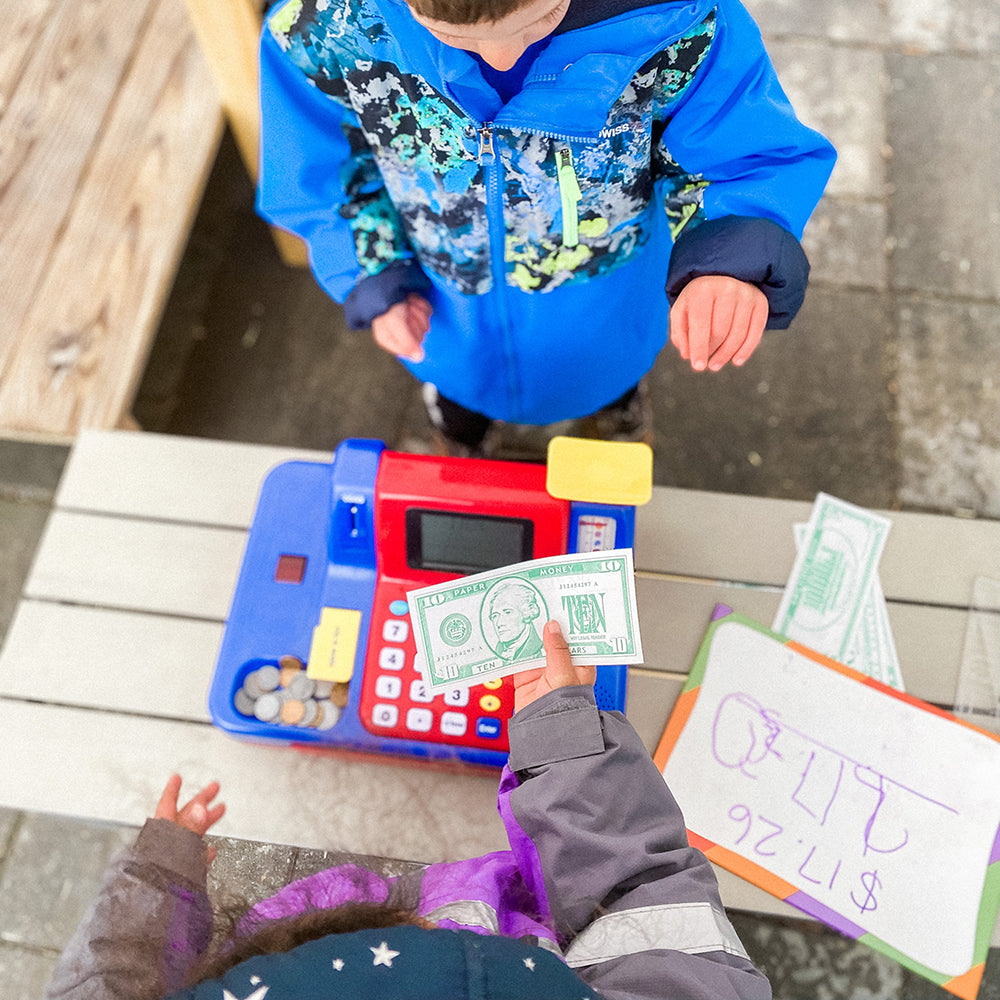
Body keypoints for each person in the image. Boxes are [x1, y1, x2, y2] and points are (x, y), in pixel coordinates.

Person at [43, 621, 771, 999]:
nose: (426, 926)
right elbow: (644, 894)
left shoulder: (293, 935)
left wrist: (158, 875)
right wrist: (566, 742)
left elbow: (100, 983)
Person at [257, 0, 836, 454]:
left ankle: (615, 413)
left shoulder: (676, 22)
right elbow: (318, 168)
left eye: (542, 18)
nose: (503, 58)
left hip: (607, 307)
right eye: (454, 37)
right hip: (449, 313)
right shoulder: (325, 28)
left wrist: (728, 254)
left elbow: (740, 154)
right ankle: (460, 428)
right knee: (460, 393)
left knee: (611, 379)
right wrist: (373, 269)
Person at [486, 579, 544, 660]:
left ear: (527, 612)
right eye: (495, 616)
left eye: (508, 612)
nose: (499, 623)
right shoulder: (498, 652)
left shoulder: (541, 649)